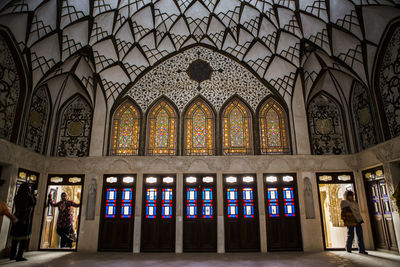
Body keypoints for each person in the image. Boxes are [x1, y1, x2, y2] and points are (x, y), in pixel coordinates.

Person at [10, 183, 36, 261]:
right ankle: (19, 256)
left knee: (15, 239)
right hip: (24, 220)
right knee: (23, 239)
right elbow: (33, 203)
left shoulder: (17, 196)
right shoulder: (28, 196)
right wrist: (33, 196)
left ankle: (12, 255)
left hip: (16, 218)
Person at [340, 190, 368, 254]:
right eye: (349, 196)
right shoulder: (344, 203)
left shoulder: (354, 203)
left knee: (360, 235)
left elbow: (357, 212)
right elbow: (343, 213)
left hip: (357, 220)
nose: (351, 197)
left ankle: (361, 249)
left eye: (352, 196)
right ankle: (348, 247)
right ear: (347, 196)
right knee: (351, 235)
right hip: (350, 221)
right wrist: (345, 220)